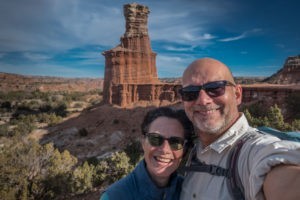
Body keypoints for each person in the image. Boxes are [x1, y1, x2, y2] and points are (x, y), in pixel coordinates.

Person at [179, 57, 300, 200]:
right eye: (190, 93)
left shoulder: (253, 152)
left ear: (237, 94)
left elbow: (281, 170)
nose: (203, 100)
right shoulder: (185, 147)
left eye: (215, 88)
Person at [100, 106, 194, 200]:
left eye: (175, 142)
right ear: (143, 142)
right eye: (155, 139)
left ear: (184, 149)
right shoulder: (114, 196)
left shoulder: (189, 192)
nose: (165, 149)